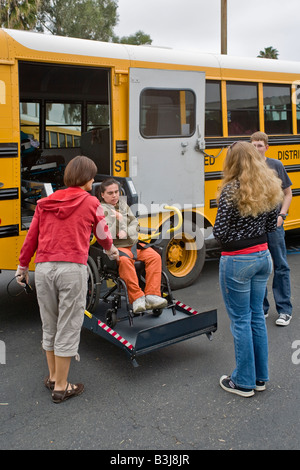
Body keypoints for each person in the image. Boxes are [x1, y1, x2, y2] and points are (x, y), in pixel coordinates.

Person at [16, 156, 118, 403]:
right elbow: (103, 232)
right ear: (86, 179)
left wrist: (22, 266)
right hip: (71, 268)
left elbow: (32, 237)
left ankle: (52, 377)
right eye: (92, 176)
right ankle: (61, 387)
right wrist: (110, 250)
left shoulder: (45, 202)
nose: (94, 181)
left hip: (43, 268)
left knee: (49, 323)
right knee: (69, 325)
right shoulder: (91, 201)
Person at [213, 141, 283, 397]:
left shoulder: (232, 189)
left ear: (232, 161)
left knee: (240, 320)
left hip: (237, 260)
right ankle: (260, 377)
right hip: (263, 256)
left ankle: (243, 381)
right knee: (256, 317)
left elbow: (219, 232)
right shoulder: (269, 185)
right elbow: (271, 226)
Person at [98, 178, 167, 314]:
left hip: (133, 246)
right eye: (110, 193)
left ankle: (152, 295)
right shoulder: (101, 210)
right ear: (102, 195)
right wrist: (123, 223)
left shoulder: (123, 206)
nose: (114, 195)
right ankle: (137, 298)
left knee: (155, 257)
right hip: (117, 248)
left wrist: (124, 228)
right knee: (124, 261)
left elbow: (135, 225)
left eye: (116, 192)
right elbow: (109, 233)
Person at [250, 131, 293, 326]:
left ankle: (284, 310)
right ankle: (262, 308)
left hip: (274, 225)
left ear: (267, 147)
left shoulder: (276, 165)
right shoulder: (247, 167)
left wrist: (282, 215)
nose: (256, 148)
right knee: (259, 268)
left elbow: (288, 193)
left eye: (260, 145)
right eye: (253, 145)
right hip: (255, 226)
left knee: (280, 265)